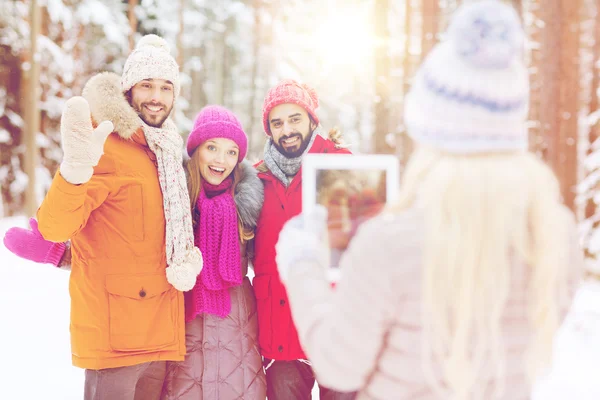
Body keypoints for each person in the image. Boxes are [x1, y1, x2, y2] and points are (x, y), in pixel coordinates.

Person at [274, 1, 583, 399]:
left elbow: (339, 366)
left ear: (430, 130)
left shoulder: (391, 243)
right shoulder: (555, 231)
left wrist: (302, 263)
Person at [4, 34, 203, 400]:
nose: (156, 97)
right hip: (116, 337)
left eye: (165, 87)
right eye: (146, 85)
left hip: (160, 330)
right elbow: (55, 227)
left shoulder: (167, 152)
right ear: (128, 90)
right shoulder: (106, 145)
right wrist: (75, 170)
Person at [252, 79, 355, 399]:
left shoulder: (342, 167)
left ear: (312, 119)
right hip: (280, 331)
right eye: (277, 123)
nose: (287, 130)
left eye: (295, 119)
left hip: (335, 329)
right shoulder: (255, 179)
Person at [161, 105, 267, 399]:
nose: (222, 160)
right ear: (195, 149)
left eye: (232, 151)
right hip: (185, 330)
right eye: (212, 147)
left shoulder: (249, 207)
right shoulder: (173, 203)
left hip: (238, 338)